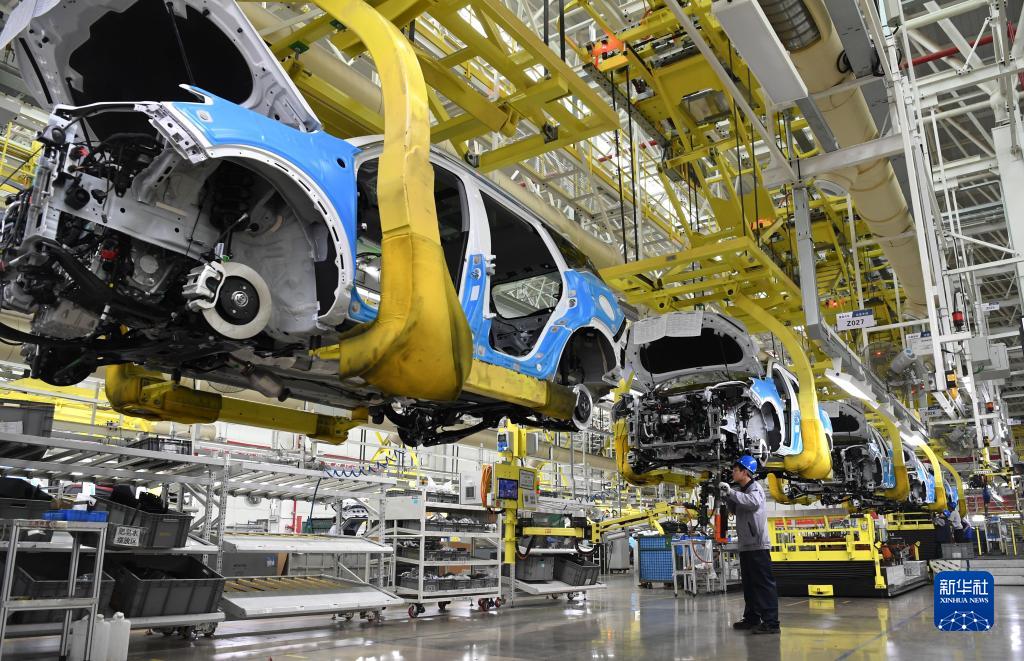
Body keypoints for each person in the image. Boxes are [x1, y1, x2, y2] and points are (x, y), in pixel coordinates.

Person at [719, 455, 780, 635]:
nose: (732, 472)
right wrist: (726, 496)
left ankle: (771, 623)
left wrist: (731, 492)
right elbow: (734, 509)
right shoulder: (741, 490)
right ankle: (752, 618)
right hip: (746, 545)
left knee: (763, 585)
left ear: (745, 472)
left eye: (735, 470)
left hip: (758, 545)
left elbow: (752, 503)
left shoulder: (755, 489)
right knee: (750, 585)